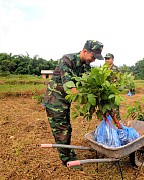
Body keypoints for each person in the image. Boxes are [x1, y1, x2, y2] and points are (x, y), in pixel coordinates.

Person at [42, 40, 104, 168]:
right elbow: (70, 86)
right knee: (62, 131)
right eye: (93, 56)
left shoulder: (85, 66)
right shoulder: (67, 60)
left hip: (65, 102)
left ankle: (68, 153)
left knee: (68, 128)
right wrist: (86, 100)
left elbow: (88, 84)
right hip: (55, 101)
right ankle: (67, 161)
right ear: (85, 51)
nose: (93, 60)